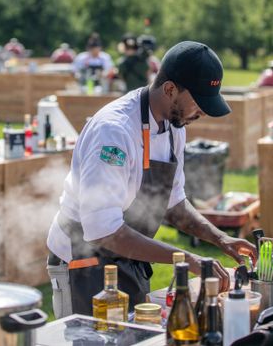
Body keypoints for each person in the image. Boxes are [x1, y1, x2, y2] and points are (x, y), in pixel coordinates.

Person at [46, 41, 257, 318]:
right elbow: (102, 230)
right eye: (199, 102)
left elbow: (174, 204)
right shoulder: (114, 132)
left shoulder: (174, 125)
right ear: (170, 89)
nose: (202, 112)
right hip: (83, 263)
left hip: (130, 257)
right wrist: (186, 259)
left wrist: (220, 239)